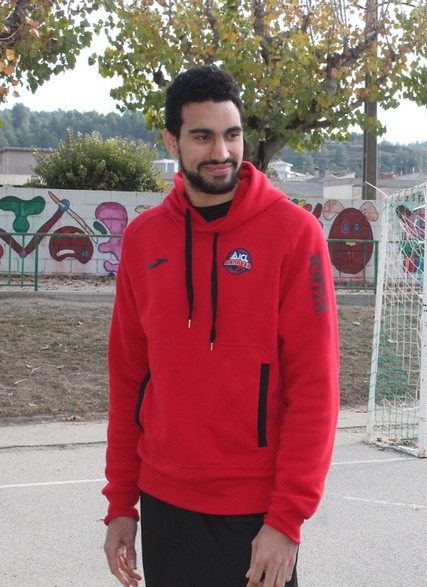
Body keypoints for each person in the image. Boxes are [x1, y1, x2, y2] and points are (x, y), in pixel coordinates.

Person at [102, 65, 339, 587]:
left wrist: (286, 520)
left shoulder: (294, 234)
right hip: (164, 503)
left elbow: (315, 389)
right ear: (172, 140)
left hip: (254, 514)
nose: (221, 152)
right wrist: (122, 502)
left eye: (231, 134)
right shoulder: (143, 240)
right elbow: (128, 380)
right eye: (202, 136)